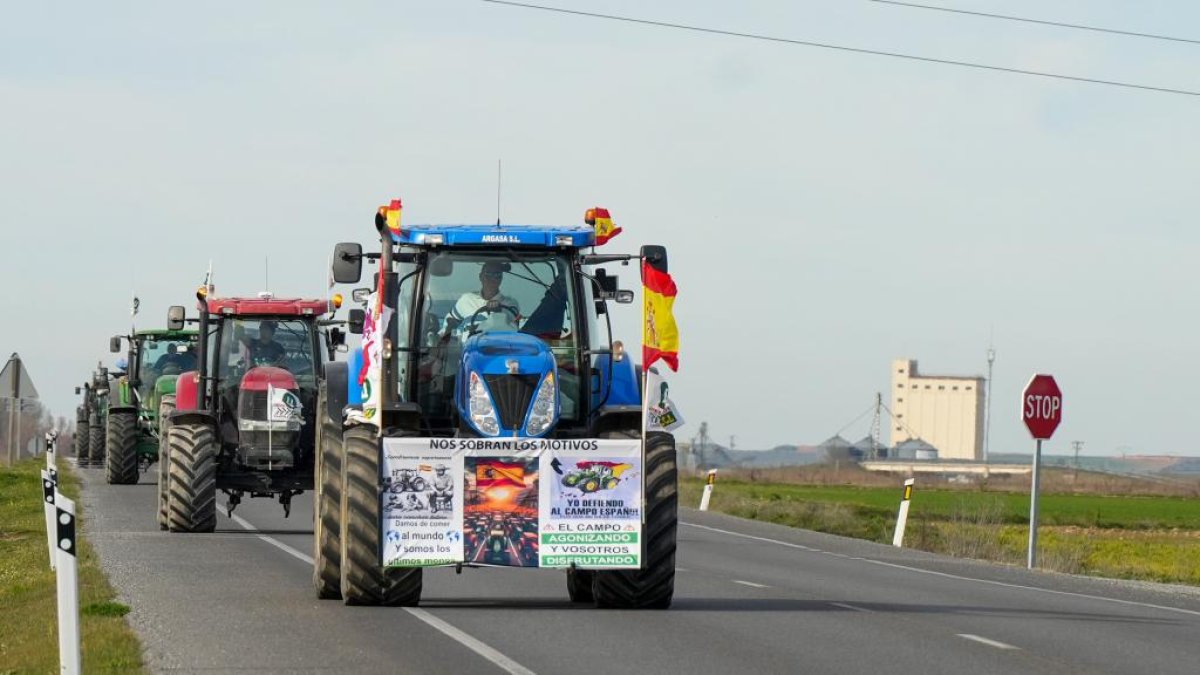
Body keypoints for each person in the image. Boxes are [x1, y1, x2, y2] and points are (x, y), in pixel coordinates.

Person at [444, 261, 521, 337]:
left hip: (498, 347)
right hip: (467, 347)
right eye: (488, 274)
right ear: (480, 277)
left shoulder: (510, 303)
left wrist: (498, 312)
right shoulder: (466, 299)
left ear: (501, 279)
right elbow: (450, 322)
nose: (492, 278)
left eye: (497, 275)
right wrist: (444, 337)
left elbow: (513, 324)